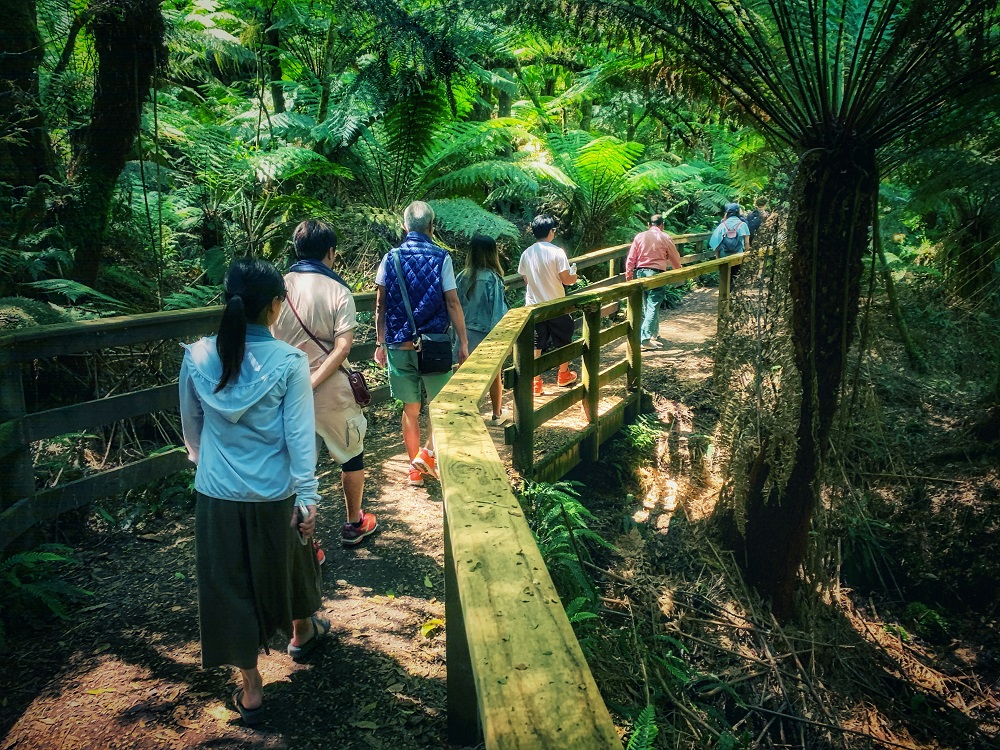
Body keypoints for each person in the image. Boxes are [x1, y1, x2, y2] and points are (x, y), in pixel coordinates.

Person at [179, 257, 330, 727]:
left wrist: (213, 467)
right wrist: (308, 498)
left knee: (228, 584)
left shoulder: (199, 356)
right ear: (274, 307)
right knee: (289, 561)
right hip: (274, 494)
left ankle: (250, 687)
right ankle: (302, 631)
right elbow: (299, 436)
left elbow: (192, 428)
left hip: (217, 496)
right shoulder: (288, 361)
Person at [271, 220, 378, 547]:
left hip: (287, 391)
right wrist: (314, 381)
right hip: (331, 393)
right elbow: (342, 346)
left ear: (296, 250)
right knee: (352, 455)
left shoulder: (277, 287)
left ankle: (307, 546)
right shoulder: (339, 291)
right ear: (331, 252)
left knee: (297, 470)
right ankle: (354, 524)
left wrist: (298, 385)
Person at [374, 201, 470, 486]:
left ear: (405, 226)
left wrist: (380, 342)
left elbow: (380, 303)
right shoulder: (442, 257)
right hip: (434, 345)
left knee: (410, 409)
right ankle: (427, 455)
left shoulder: (389, 258)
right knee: (439, 407)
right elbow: (452, 301)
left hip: (398, 345)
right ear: (431, 226)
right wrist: (463, 341)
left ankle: (415, 469)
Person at [517, 214, 579, 396]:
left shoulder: (527, 253)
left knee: (536, 343)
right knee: (564, 338)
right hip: (556, 304)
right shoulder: (557, 252)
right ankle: (563, 374)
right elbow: (566, 280)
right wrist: (574, 276)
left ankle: (535, 383)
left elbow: (526, 280)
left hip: (534, 306)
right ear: (550, 231)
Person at [455, 234, 511, 426]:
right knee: (494, 375)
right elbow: (498, 311)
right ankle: (496, 414)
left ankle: (467, 416)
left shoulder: (461, 277)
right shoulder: (493, 279)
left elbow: (455, 306)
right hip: (487, 333)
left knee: (465, 377)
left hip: (464, 334)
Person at [625, 214, 682, 351]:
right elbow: (675, 257)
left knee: (647, 305)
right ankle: (644, 340)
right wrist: (678, 271)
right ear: (662, 225)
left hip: (640, 273)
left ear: (648, 225)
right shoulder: (665, 237)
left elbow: (631, 257)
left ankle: (652, 335)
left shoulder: (639, 236)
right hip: (656, 274)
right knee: (653, 306)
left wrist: (629, 276)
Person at [710, 202, 750, 278]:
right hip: (738, 255)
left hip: (724, 255)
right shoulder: (742, 224)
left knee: (725, 277)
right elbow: (747, 244)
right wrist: (746, 257)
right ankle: (732, 288)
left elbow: (714, 242)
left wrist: (717, 257)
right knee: (735, 276)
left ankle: (725, 289)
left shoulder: (722, 225)